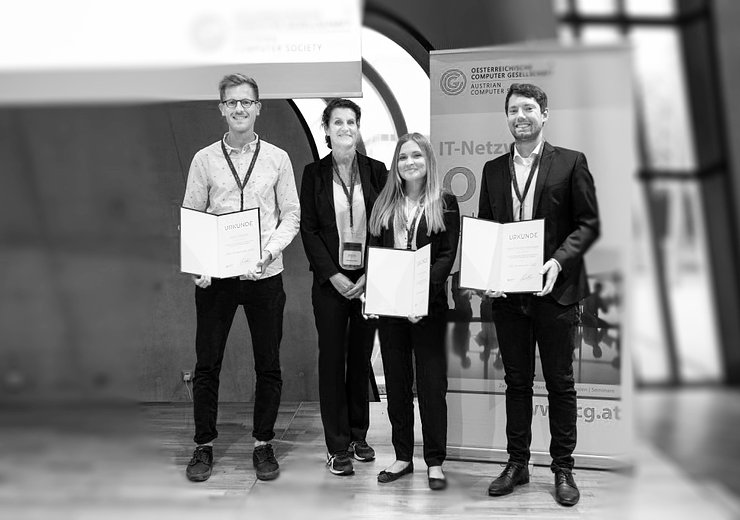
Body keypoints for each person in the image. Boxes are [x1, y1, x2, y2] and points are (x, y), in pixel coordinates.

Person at [478, 83, 600, 506]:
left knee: (561, 383)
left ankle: (563, 467)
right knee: (516, 382)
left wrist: (559, 261)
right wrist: (486, 272)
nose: (520, 116)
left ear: (544, 114)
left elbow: (587, 224)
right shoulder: (493, 170)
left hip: (555, 292)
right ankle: (517, 462)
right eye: (513, 110)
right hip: (510, 298)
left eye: (528, 108)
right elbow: (487, 230)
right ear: (507, 117)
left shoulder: (570, 162)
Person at [182, 74, 300, 483]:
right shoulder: (204, 159)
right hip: (217, 278)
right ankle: (203, 445)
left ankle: (263, 443)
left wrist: (268, 252)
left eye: (246, 102)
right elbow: (192, 217)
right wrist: (200, 264)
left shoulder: (278, 158)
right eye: (231, 103)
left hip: (266, 274)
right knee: (207, 364)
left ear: (258, 107)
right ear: (221, 109)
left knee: (268, 364)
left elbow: (292, 215)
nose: (239, 109)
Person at [299, 98, 387, 476]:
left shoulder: (378, 171)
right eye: (338, 122)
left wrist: (371, 273)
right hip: (330, 282)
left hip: (368, 280)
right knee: (332, 359)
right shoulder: (313, 173)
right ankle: (336, 446)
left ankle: (357, 435)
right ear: (327, 129)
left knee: (360, 356)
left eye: (351, 122)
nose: (345, 128)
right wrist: (333, 275)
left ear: (358, 127)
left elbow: (385, 223)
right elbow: (309, 229)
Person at [368, 132, 460, 491]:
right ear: (396, 164)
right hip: (391, 311)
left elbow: (446, 256)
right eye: (403, 157)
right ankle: (403, 456)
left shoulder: (444, 202)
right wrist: (375, 296)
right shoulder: (384, 204)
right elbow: (375, 253)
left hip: (429, 310)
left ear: (428, 162)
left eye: (417, 156)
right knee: (398, 384)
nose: (410, 162)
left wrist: (419, 296)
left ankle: (434, 461)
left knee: (432, 386)